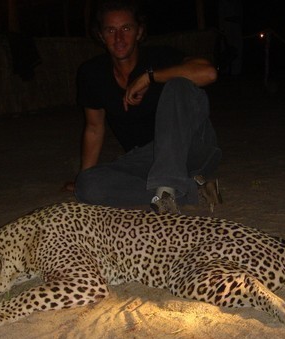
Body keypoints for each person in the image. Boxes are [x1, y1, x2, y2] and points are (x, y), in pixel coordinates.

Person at [71, 0, 222, 214]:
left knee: (178, 83)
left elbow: (208, 73)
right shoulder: (92, 73)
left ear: (139, 32)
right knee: (88, 186)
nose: (119, 38)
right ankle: (185, 190)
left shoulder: (160, 57)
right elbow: (94, 128)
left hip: (193, 147)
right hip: (145, 158)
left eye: (126, 28)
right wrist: (83, 176)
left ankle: (167, 188)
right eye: (111, 30)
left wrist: (150, 77)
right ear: (101, 35)